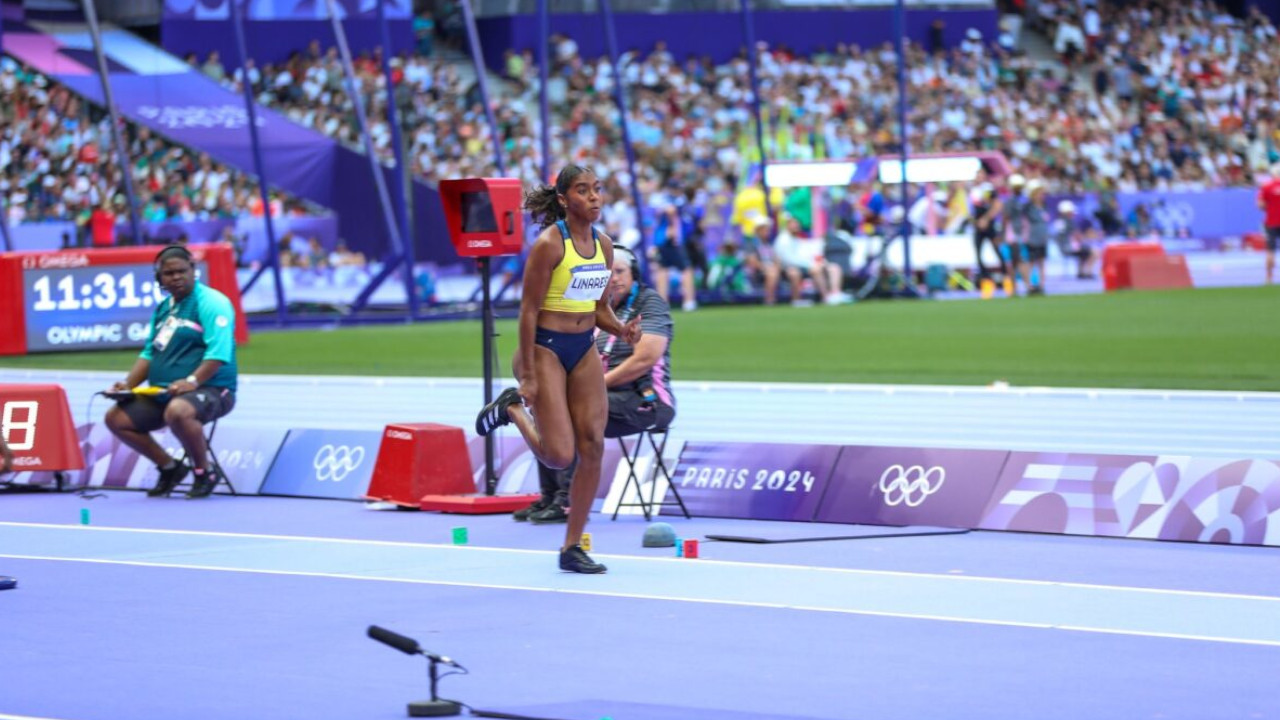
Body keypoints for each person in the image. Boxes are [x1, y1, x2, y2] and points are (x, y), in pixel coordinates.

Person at [475, 166, 641, 574]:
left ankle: (572, 547)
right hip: (543, 348)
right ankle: (512, 409)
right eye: (583, 191)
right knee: (559, 455)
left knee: (593, 446)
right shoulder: (550, 244)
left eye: (597, 189)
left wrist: (621, 329)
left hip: (582, 348)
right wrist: (529, 375)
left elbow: (598, 309)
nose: (594, 197)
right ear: (565, 200)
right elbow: (527, 311)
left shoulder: (604, 245)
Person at [516, 245, 676, 525]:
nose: (614, 278)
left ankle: (567, 502)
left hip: (645, 400)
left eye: (620, 271)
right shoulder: (592, 306)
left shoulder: (649, 303)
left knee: (574, 412)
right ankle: (550, 496)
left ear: (634, 274)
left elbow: (644, 359)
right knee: (548, 409)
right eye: (608, 273)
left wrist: (593, 388)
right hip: (603, 397)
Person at [103, 245, 239, 499]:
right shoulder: (165, 308)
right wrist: (128, 385)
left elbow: (218, 354)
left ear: (193, 270)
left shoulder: (212, 303)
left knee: (178, 411)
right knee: (116, 419)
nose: (176, 277)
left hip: (212, 389)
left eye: (181, 271)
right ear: (159, 278)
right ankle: (169, 467)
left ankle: (204, 472)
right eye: (168, 273)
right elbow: (150, 353)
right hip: (165, 391)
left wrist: (192, 381)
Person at [1257, 163, 1280, 284]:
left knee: (1270, 250)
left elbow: (1260, 205)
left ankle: (1269, 277)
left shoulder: (1267, 186)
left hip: (1271, 222)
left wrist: (1270, 208)